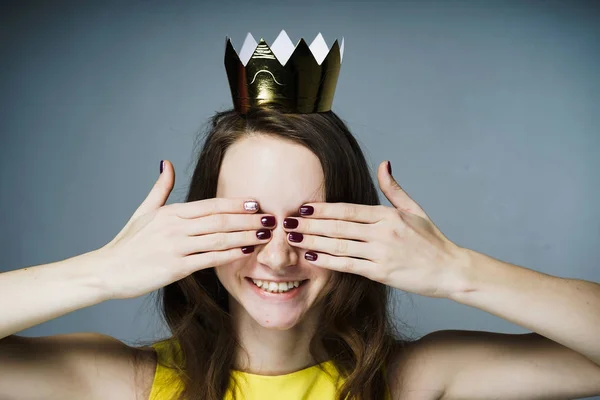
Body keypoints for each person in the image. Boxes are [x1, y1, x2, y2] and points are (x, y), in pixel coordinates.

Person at [1, 31, 600, 400]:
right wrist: (103, 272)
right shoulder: (128, 383)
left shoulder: (414, 379)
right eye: (249, 221)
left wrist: (456, 270)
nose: (279, 255)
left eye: (309, 223)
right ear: (199, 226)